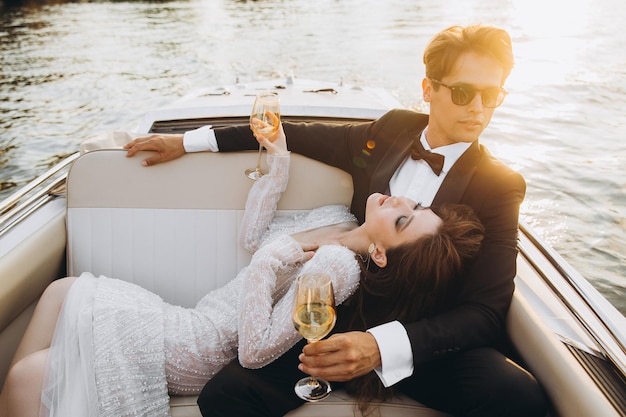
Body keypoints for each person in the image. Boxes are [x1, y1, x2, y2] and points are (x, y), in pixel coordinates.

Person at [122, 24, 548, 417]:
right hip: (335, 313)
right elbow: (298, 132)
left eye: (490, 96)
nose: (478, 109)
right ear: (428, 89)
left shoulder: (500, 185)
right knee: (225, 395)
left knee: (517, 394)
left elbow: (486, 311)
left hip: (417, 336)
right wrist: (191, 141)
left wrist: (379, 347)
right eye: (462, 93)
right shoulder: (391, 132)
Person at [0, 123, 485, 417]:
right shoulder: (339, 218)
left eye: (402, 218)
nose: (399, 198)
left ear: (381, 254)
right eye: (413, 202)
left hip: (202, 347)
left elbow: (254, 353)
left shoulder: (339, 268)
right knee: (61, 291)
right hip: (189, 317)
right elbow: (254, 239)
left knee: (28, 377)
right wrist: (276, 164)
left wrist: (271, 262)